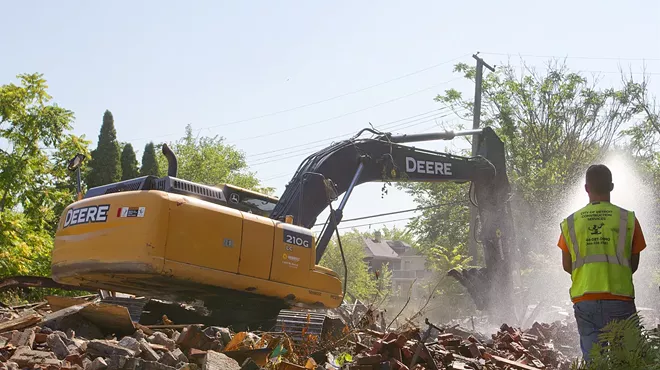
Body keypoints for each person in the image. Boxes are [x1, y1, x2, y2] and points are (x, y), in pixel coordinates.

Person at [557, 164, 646, 362]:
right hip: (620, 299)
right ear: (612, 187)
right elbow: (634, 263)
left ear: (586, 188)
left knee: (594, 361)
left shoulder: (570, 222)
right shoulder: (628, 219)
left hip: (584, 301)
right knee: (626, 361)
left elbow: (566, 265)